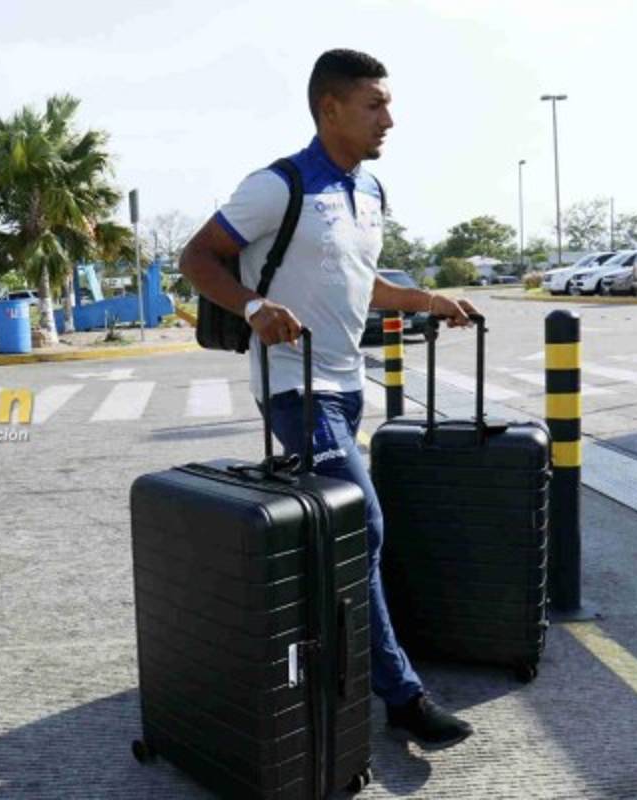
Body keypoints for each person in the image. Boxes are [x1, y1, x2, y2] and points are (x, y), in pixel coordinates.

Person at [180, 48, 478, 748]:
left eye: (388, 103)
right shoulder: (277, 185)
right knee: (360, 525)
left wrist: (430, 299)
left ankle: (326, 653)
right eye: (375, 104)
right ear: (330, 108)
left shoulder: (368, 192)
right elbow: (195, 258)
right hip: (293, 386)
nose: (389, 120)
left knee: (346, 533)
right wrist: (254, 306)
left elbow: (361, 281)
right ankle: (400, 694)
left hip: (348, 388)